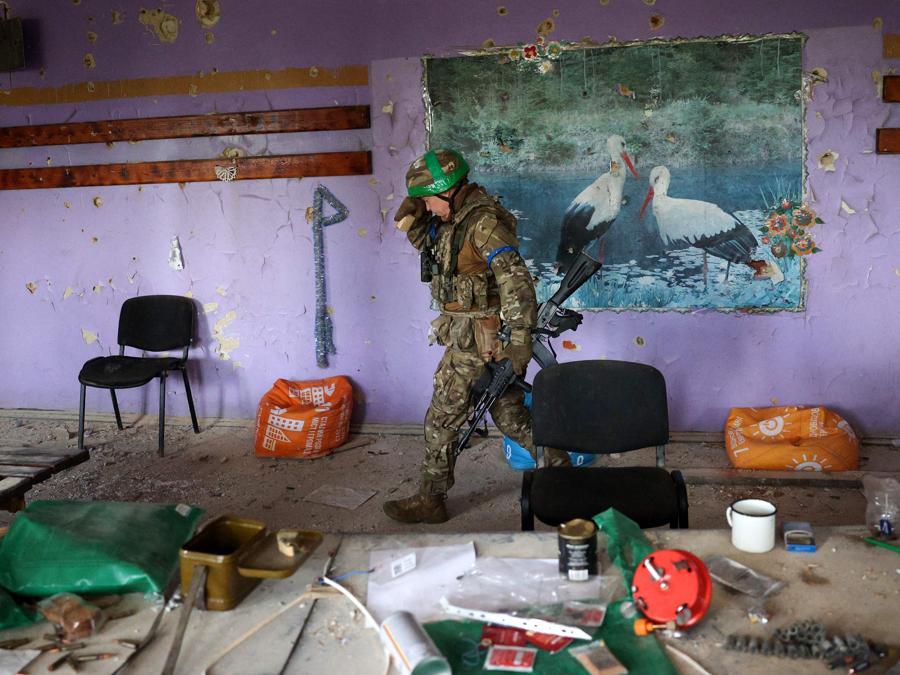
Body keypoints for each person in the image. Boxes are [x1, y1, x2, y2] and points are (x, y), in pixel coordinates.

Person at [383, 149, 571, 524]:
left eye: (429, 201)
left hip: (477, 337)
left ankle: (431, 499)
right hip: (471, 333)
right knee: (507, 410)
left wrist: (519, 339)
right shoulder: (455, 219)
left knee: (441, 418)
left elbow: (515, 282)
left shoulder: (482, 224)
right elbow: (436, 252)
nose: (429, 208)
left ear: (449, 190)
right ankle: (563, 471)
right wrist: (415, 215)